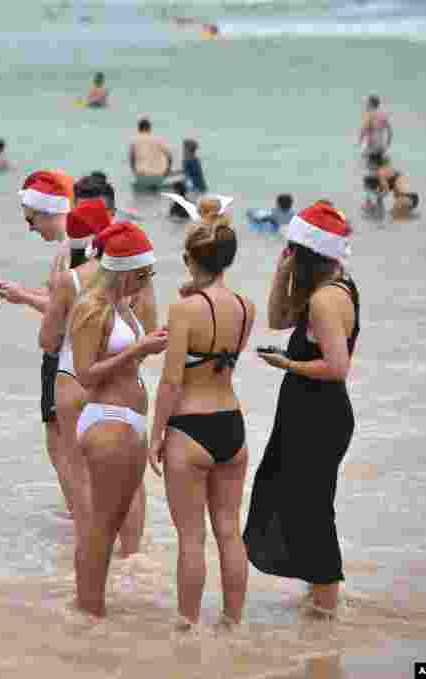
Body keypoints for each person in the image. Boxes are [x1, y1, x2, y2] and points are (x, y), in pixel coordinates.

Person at [245, 203, 359, 619]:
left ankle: (326, 605)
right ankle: (320, 596)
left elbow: (337, 367)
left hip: (319, 415)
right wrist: (280, 271)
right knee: (302, 503)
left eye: (293, 250)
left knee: (309, 509)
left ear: (307, 253)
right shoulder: (330, 287)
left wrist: (288, 365)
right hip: (308, 413)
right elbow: (276, 317)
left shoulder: (326, 301)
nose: (289, 255)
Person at [148, 216, 255, 629]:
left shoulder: (183, 309)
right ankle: (233, 623)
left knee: (191, 538)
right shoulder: (248, 307)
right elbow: (221, 358)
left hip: (190, 428)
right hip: (232, 424)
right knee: (229, 532)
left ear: (190, 259)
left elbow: (172, 380)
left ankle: (187, 626)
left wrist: (156, 433)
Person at [41, 174, 153, 555]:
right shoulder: (133, 280)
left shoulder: (69, 280)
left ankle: (91, 554)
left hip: (75, 378)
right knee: (131, 480)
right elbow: (149, 328)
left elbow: (48, 340)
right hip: (126, 383)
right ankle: (131, 558)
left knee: (80, 472)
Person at [70, 222, 168, 618]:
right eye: (141, 276)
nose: (145, 284)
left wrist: (148, 346)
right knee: (100, 527)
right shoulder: (91, 307)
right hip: (106, 419)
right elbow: (85, 374)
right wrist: (138, 349)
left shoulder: (124, 307)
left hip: (129, 421)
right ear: (122, 270)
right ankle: (88, 610)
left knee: (111, 525)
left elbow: (127, 361)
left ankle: (91, 606)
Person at [0, 172, 75, 511]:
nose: (29, 227)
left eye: (31, 220)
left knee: (61, 444)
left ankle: (78, 511)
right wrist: (22, 293)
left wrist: (24, 299)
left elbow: (67, 309)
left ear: (46, 212)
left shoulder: (70, 250)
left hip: (63, 355)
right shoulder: (72, 246)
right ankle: (82, 511)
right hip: (71, 354)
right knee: (65, 442)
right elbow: (60, 297)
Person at [368, 152, 419, 219]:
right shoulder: (389, 169)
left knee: (391, 216)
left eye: (370, 165)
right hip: (409, 197)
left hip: (405, 198)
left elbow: (385, 190)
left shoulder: (380, 173)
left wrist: (378, 196)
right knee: (392, 215)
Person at [129, 118, 172, 192]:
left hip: (142, 176)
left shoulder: (134, 141)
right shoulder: (158, 139)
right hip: (158, 176)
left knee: (139, 196)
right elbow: (169, 157)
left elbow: (132, 160)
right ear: (150, 128)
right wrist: (167, 171)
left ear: (139, 128)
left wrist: (135, 172)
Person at [358, 95, 392, 161]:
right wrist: (386, 145)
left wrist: (359, 143)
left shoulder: (369, 116)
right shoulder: (383, 116)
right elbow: (390, 133)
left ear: (371, 104)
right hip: (381, 148)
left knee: (362, 163)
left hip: (371, 147)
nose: (365, 106)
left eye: (367, 103)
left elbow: (363, 131)